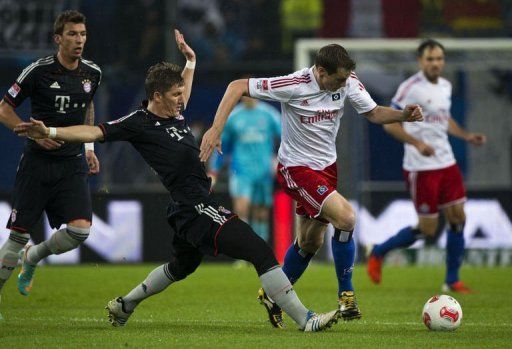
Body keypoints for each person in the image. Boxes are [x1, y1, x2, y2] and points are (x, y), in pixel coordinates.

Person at [15, 30, 340, 332]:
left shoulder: (175, 111)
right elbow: (93, 131)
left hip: (190, 204)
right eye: (175, 94)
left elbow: (182, 85)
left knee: (180, 267)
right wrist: (53, 131)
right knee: (260, 250)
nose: (182, 99)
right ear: (157, 96)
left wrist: (191, 61)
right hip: (194, 206)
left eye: (182, 93)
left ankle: (124, 304)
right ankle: (306, 319)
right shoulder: (139, 123)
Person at [199, 44, 423, 328]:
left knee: (310, 242)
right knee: (346, 216)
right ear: (320, 71)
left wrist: (404, 115)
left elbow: (373, 112)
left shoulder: (348, 81)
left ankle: (272, 295)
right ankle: (347, 295)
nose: (343, 85)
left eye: (345, 79)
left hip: (326, 169)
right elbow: (236, 86)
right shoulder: (294, 84)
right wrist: (216, 129)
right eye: (338, 80)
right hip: (296, 169)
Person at [0, 10, 101, 320]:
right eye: (72, 34)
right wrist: (30, 131)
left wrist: (88, 146)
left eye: (82, 34)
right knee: (17, 236)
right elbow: (4, 109)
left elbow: (88, 107)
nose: (79, 40)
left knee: (80, 232)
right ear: (58, 38)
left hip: (71, 163)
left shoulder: (92, 73)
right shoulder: (37, 71)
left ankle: (34, 256)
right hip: (38, 163)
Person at [367, 39, 486, 293]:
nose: (435, 63)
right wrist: (416, 142)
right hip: (421, 167)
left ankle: (452, 279)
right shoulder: (409, 88)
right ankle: (379, 251)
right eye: (430, 59)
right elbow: (389, 124)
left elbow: (445, 119)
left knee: (458, 218)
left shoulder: (445, 86)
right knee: (427, 228)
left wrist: (466, 136)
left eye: (439, 58)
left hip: (447, 162)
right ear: (421, 61)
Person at [209, 96, 281, 243]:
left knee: (261, 213)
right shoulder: (233, 117)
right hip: (240, 171)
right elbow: (222, 144)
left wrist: (279, 160)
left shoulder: (269, 114)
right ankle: (244, 252)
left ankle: (261, 251)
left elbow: (285, 138)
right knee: (241, 211)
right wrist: (213, 170)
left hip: (264, 172)